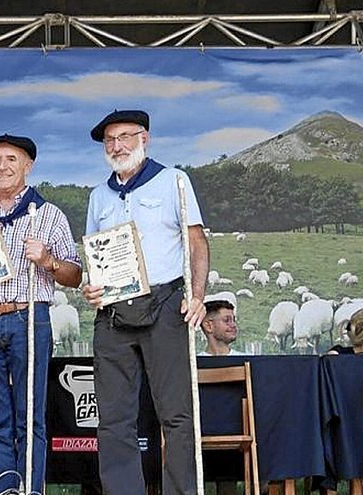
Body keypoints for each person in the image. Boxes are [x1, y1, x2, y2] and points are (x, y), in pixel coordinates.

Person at [82, 110, 209, 495]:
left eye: (124, 136)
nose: (117, 146)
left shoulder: (174, 181)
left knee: (176, 414)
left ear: (144, 138)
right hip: (113, 314)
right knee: (114, 417)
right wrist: (91, 287)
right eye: (109, 140)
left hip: (166, 304)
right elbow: (93, 257)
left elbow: (197, 242)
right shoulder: (98, 196)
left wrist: (198, 296)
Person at [0, 134, 82, 494]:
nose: (2, 167)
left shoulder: (49, 215)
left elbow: (75, 275)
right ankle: (4, 489)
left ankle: (31, 489)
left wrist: (49, 260)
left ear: (28, 165)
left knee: (30, 416)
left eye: (11, 159)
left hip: (28, 317)